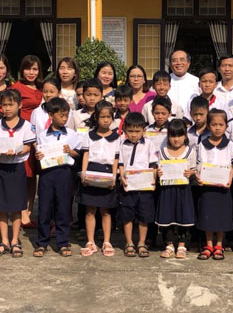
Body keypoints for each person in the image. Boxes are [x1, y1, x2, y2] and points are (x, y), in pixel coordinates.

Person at [0, 89, 35, 258]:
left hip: (16, 168)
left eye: (11, 105)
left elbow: (28, 146)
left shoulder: (27, 126)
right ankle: (4, 241)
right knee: (0, 206)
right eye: (4, 105)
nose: (7, 108)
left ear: (19, 105)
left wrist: (18, 151)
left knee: (16, 206)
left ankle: (15, 240)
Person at [33, 97, 80, 258]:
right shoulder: (42, 135)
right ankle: (42, 242)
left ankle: (62, 242)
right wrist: (38, 156)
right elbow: (39, 153)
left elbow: (78, 153)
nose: (64, 118)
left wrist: (70, 151)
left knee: (63, 208)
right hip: (47, 173)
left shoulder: (71, 134)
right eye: (61, 115)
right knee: (44, 208)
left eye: (66, 115)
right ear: (51, 115)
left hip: (64, 173)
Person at [79, 100, 120, 257]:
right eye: (102, 117)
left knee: (106, 210)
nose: (105, 120)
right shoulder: (89, 135)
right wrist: (83, 173)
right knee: (90, 210)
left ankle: (107, 241)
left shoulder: (117, 137)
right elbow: (86, 154)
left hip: (107, 173)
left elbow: (116, 158)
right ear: (96, 117)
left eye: (108, 117)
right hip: (91, 171)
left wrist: (114, 177)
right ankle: (90, 241)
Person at [196, 109, 233, 261]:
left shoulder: (230, 145)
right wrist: (199, 177)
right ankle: (208, 244)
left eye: (221, 125)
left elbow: (232, 165)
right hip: (207, 187)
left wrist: (230, 179)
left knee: (221, 215)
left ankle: (219, 244)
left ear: (226, 126)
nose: (217, 128)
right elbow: (199, 164)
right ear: (208, 126)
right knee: (208, 215)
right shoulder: (202, 144)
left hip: (223, 188)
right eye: (214, 124)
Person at [117, 113, 158, 258]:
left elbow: (153, 165)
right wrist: (122, 177)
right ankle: (129, 243)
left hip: (145, 187)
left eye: (137, 131)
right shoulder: (122, 144)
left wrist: (153, 179)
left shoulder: (149, 144)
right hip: (128, 186)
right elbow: (120, 164)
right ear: (125, 130)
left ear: (143, 130)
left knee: (144, 216)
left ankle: (141, 242)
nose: (133, 134)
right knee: (127, 215)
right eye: (130, 131)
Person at [155, 119, 196, 259]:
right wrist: (158, 173)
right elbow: (159, 169)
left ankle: (182, 244)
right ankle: (169, 244)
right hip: (167, 190)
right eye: (173, 135)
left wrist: (191, 172)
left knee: (183, 215)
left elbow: (194, 169)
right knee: (167, 216)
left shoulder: (190, 151)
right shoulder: (162, 152)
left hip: (183, 190)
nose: (176, 139)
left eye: (179, 135)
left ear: (185, 136)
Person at [11, 55, 44, 228]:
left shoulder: (42, 88)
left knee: (33, 176)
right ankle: (22, 212)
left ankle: (30, 211)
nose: (31, 72)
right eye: (28, 68)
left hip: (41, 136)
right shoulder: (16, 88)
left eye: (35, 69)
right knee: (24, 174)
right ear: (22, 70)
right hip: (23, 135)